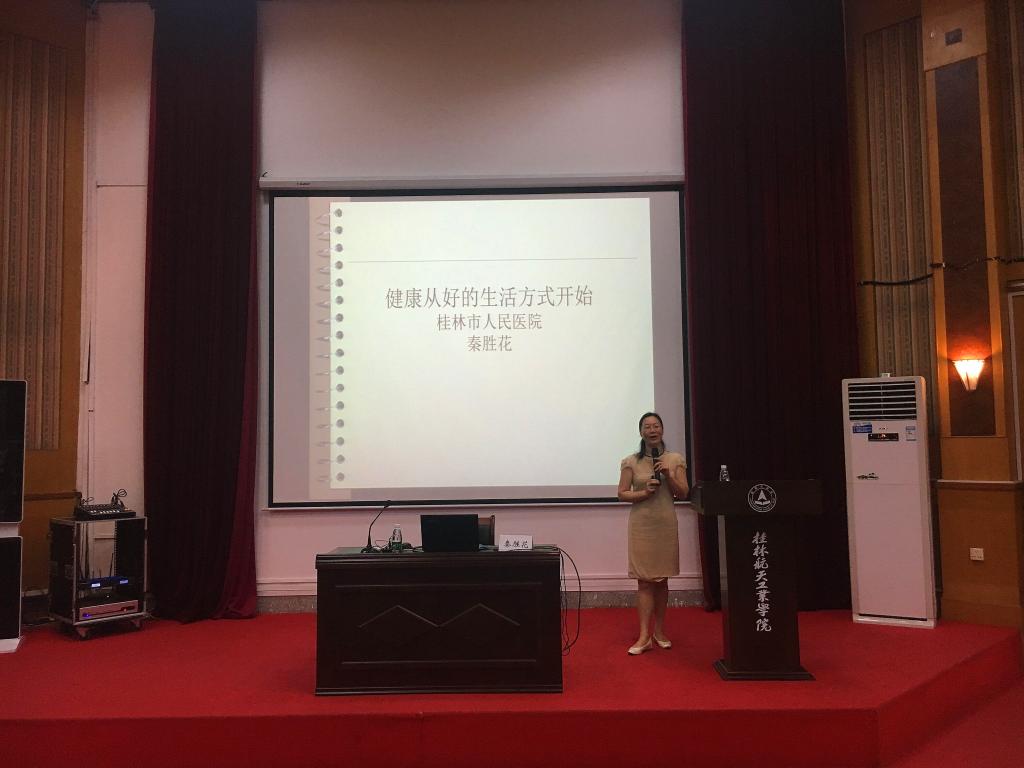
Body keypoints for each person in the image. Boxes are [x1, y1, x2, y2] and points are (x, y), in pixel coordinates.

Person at [617, 411, 689, 655]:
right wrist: (644, 492)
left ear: (662, 430)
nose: (652, 430)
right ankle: (644, 636)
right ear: (641, 432)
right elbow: (622, 493)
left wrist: (669, 475)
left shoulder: (675, 459)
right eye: (647, 427)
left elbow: (684, 493)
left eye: (656, 426)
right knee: (644, 581)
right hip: (642, 525)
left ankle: (659, 631)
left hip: (665, 523)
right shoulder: (631, 461)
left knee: (662, 579)